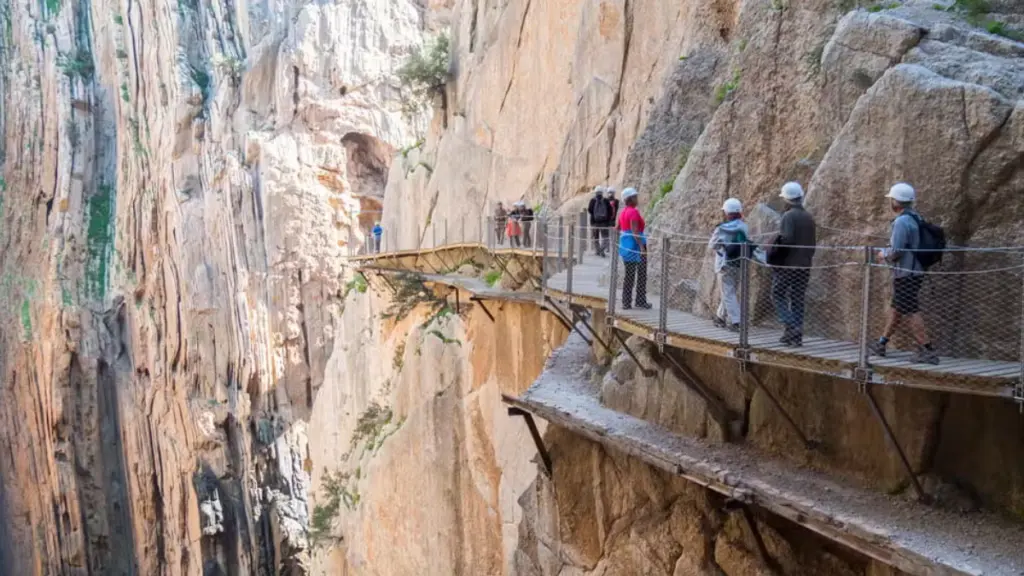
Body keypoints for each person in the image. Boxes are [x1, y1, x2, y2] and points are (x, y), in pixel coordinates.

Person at [869, 183, 938, 364]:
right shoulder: (915, 217)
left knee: (910, 310)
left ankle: (928, 349)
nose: (890, 201)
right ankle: (882, 343)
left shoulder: (901, 221)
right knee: (897, 308)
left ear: (896, 201)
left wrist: (882, 254)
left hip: (905, 273)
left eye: (891, 199)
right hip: (915, 271)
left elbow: (896, 251)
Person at [767, 182, 817, 346]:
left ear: (787, 199)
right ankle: (795, 335)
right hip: (805, 265)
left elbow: (786, 239)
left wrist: (775, 248)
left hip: (789, 265)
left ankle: (791, 326)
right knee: (797, 298)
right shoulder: (808, 217)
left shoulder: (788, 216)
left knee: (777, 294)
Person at [709, 198, 749, 331]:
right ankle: (720, 317)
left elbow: (713, 245)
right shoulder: (744, 227)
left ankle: (736, 322)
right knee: (729, 292)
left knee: (728, 293)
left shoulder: (722, 228)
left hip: (725, 264)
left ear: (727, 212)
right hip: (740, 263)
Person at [618, 188, 651, 309]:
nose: (637, 199)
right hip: (636, 247)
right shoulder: (633, 212)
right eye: (635, 197)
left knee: (629, 275)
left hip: (625, 246)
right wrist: (642, 247)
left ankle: (626, 302)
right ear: (630, 199)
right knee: (641, 274)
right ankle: (640, 300)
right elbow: (635, 231)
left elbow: (617, 227)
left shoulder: (623, 212)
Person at [587, 186, 612, 257]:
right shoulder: (606, 200)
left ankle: (598, 251)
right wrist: (607, 219)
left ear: (595, 192)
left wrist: (595, 215)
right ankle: (602, 250)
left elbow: (589, 210)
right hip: (604, 223)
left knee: (595, 237)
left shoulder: (592, 200)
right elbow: (610, 211)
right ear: (602, 192)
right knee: (605, 237)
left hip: (594, 222)